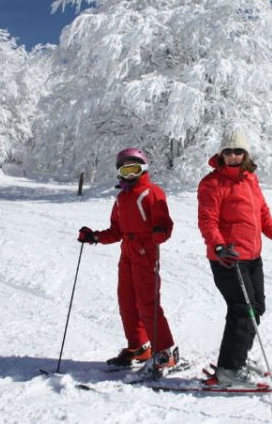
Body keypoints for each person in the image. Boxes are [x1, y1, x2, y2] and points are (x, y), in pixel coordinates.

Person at [197, 131, 272, 387]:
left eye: (237, 151)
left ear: (245, 154)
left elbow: (262, 213)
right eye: (227, 151)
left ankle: (237, 360)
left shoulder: (251, 179)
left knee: (255, 309)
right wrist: (219, 248)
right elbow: (208, 221)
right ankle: (228, 370)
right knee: (242, 311)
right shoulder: (211, 183)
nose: (232, 156)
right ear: (221, 154)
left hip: (253, 257)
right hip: (228, 259)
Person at [78, 148, 178, 374]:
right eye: (125, 169)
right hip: (128, 252)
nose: (130, 174)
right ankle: (139, 346)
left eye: (135, 169)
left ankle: (165, 351)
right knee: (127, 301)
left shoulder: (152, 192)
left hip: (145, 251)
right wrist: (94, 236)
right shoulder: (122, 197)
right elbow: (116, 231)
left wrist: (160, 231)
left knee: (147, 302)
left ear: (143, 169)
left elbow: (164, 221)